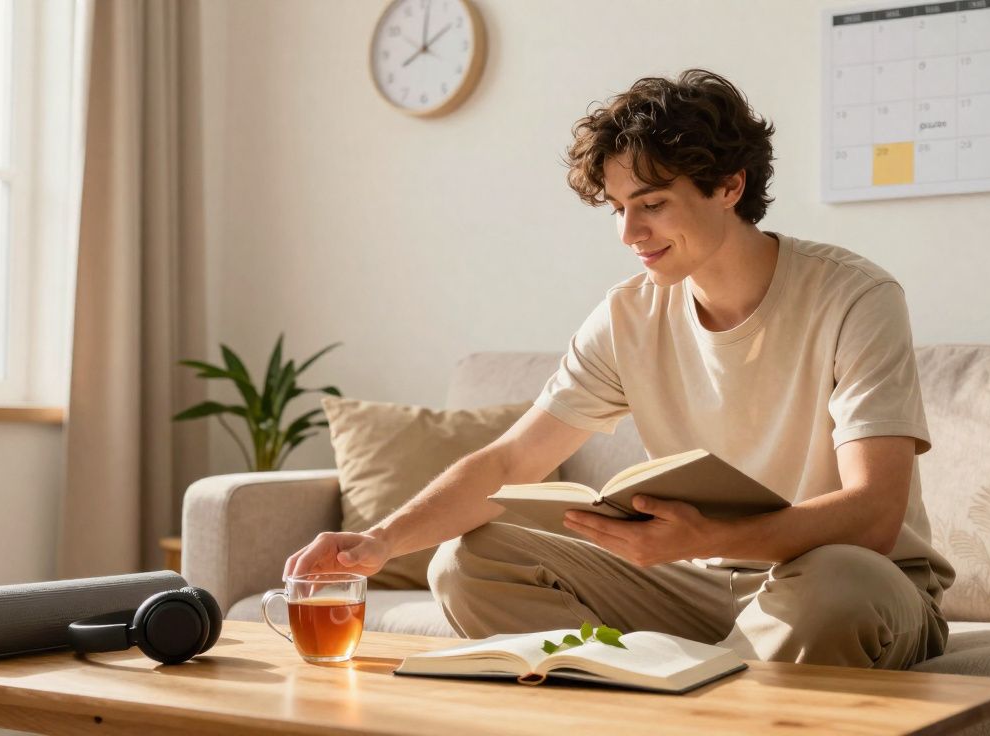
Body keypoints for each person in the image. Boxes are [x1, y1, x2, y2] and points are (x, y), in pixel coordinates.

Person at [285, 69, 955, 669]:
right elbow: (511, 460)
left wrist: (709, 535)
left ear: (730, 186)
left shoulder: (854, 297)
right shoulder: (628, 315)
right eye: (617, 208)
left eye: (652, 203)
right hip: (699, 584)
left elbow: (874, 513)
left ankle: (696, 683)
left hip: (847, 580)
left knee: (837, 587)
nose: (629, 233)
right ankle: (672, 678)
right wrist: (377, 541)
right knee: (471, 561)